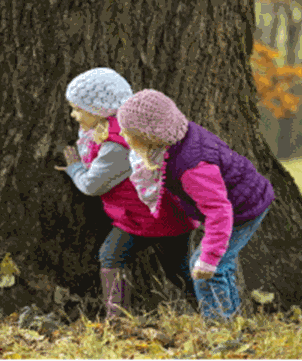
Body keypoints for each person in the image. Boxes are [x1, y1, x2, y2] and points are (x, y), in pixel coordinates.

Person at [116, 89, 275, 320]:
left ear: (150, 136)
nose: (121, 133)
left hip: (243, 209)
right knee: (214, 265)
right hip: (231, 203)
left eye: (129, 132)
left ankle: (220, 326)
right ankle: (229, 320)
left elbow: (220, 212)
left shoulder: (192, 167)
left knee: (210, 269)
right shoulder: (178, 138)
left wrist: (209, 258)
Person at [55, 68, 197, 319]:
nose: (73, 115)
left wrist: (75, 168)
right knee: (178, 269)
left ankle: (118, 319)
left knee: (112, 256)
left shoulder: (117, 145)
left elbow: (92, 185)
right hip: (168, 211)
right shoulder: (122, 129)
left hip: (146, 216)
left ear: (98, 110)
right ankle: (214, 310)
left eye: (78, 109)